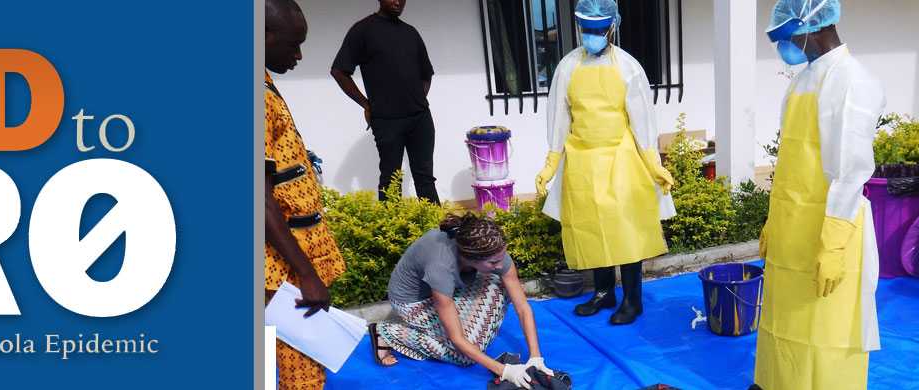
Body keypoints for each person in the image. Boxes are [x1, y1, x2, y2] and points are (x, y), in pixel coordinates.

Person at [754, 0, 883, 388]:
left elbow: (849, 170)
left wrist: (835, 244)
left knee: (825, 325)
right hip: (793, 224)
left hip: (831, 226)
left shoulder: (852, 81)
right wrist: (773, 220)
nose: (784, 47)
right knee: (784, 318)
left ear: (815, 27)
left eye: (787, 37)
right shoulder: (803, 79)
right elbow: (792, 160)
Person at [535, 0, 676, 325]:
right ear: (579, 27)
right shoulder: (567, 67)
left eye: (599, 30)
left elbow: (642, 121)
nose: (592, 36)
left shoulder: (628, 67)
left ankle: (632, 299)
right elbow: (559, 118)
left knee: (624, 229)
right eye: (588, 30)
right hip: (582, 161)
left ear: (611, 27)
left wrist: (654, 164)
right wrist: (551, 163)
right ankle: (603, 293)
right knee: (591, 228)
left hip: (621, 157)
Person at [264, 1, 346, 389]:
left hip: (284, 259)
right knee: (302, 368)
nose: (298, 55)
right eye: (293, 44)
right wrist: (307, 275)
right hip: (282, 267)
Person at [370, 213, 550, 388]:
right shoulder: (441, 266)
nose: (501, 265)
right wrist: (504, 371)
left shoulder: (493, 250)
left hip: (448, 289)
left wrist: (535, 356)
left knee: (500, 285)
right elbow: (457, 338)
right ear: (470, 258)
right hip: (413, 301)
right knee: (465, 355)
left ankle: (458, 317)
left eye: (501, 257)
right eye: (493, 263)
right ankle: (388, 332)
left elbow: (523, 307)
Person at [331, 0, 440, 204]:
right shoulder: (363, 30)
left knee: (425, 179)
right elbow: (339, 71)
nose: (398, 1)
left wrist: (415, 98)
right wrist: (366, 104)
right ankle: (393, 236)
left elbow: (427, 74)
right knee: (390, 181)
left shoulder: (411, 33)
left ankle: (438, 232)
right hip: (387, 121)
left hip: (420, 119)